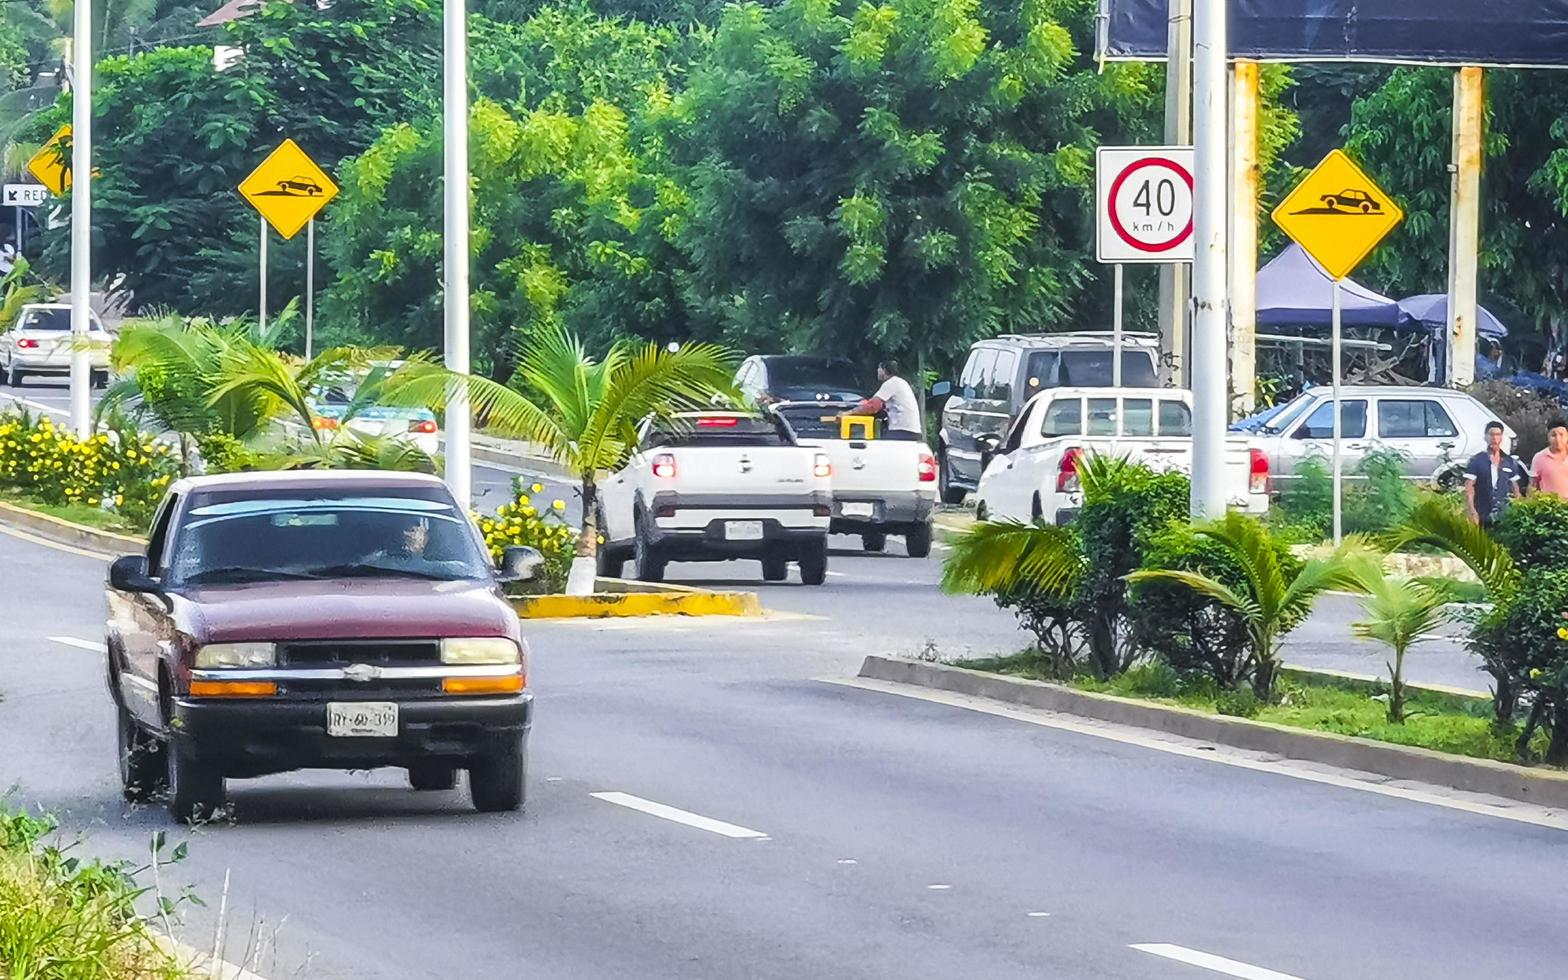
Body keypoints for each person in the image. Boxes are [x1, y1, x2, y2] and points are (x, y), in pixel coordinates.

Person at [1465, 421, 1525, 528]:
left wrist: (1519, 509)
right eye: (1491, 434)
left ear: (1501, 437)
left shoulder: (1509, 461)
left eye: (1497, 435)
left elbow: (1515, 489)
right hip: (1482, 511)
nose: (1494, 438)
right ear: (1485, 437)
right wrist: (1471, 510)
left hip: (1504, 514)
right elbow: (1469, 487)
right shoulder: (1477, 460)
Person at [844, 359, 921, 441]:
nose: (877, 371)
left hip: (902, 430)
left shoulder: (891, 383)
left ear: (884, 370)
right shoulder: (900, 382)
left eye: (879, 368)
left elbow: (872, 407)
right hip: (911, 430)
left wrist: (849, 412)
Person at [1531, 418, 1568, 498]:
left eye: (1561, 435)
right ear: (1548, 437)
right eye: (1554, 435)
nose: (1558, 439)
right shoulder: (1539, 458)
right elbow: (1532, 486)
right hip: (1549, 507)